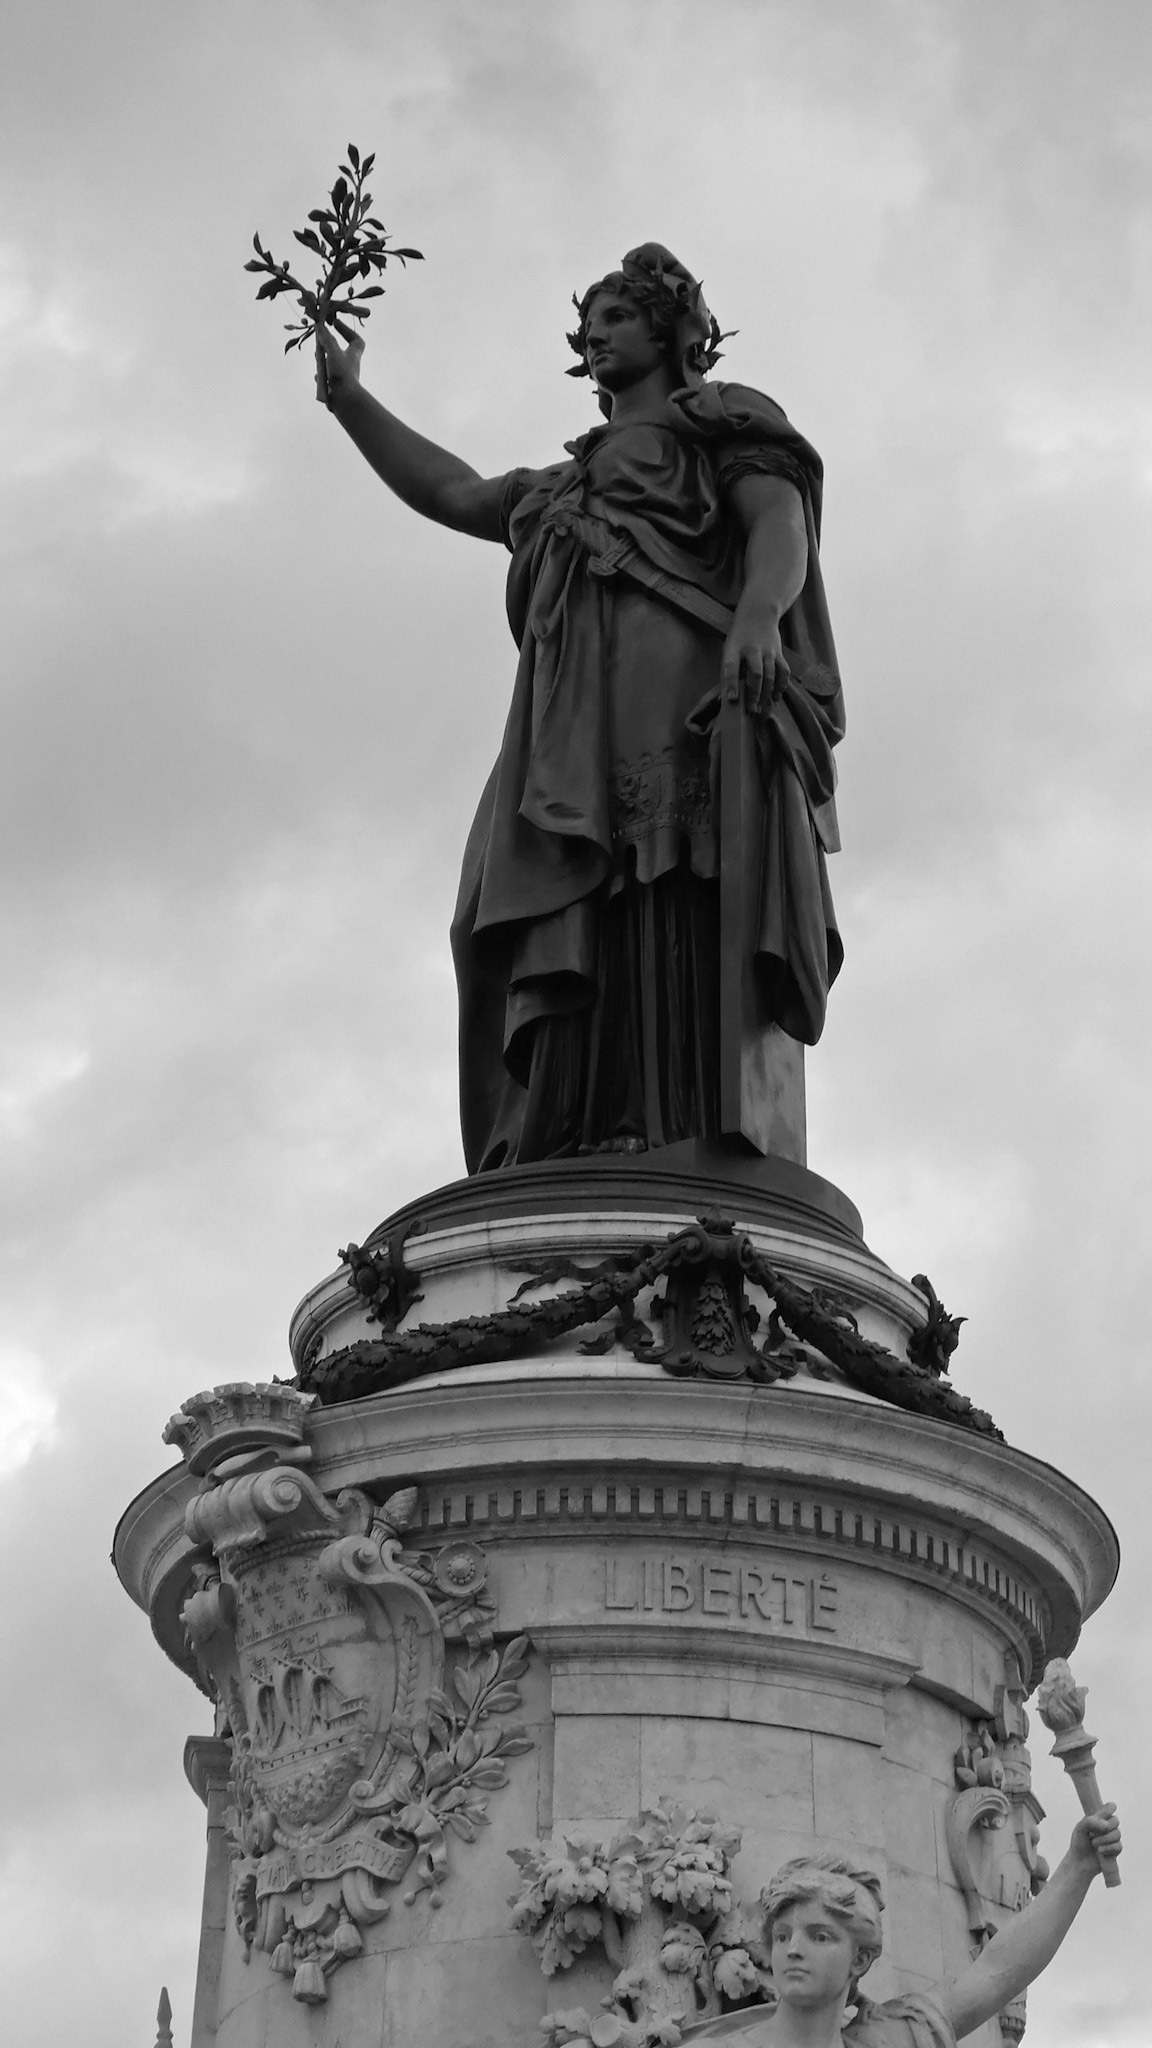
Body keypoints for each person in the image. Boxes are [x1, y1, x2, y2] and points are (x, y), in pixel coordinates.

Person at [316, 244, 844, 1171]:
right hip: (561, 732)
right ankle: (557, 1134)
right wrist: (351, 399)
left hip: (678, 693)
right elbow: (451, 491)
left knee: (662, 877)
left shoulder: (719, 422)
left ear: (675, 330)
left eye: (619, 317)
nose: (598, 335)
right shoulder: (556, 490)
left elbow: (778, 522)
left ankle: (666, 1123)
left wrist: (759, 616)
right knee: (497, 913)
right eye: (590, 323)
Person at [684, 1808, 1122, 2048]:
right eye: (782, 1936)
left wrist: (1078, 1867)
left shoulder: (891, 2041)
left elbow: (997, 1970)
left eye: (819, 1936)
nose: (792, 1950)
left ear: (860, 1959)